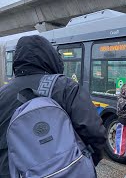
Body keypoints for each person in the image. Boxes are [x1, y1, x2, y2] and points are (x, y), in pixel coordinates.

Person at [0, 35, 107, 177]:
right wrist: (85, 162)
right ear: (50, 57)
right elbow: (95, 133)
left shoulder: (3, 94)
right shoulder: (66, 87)